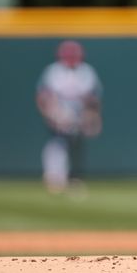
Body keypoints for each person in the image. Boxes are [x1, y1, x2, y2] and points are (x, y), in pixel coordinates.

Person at [36, 40, 103, 194]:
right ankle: (54, 177)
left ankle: (74, 178)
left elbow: (93, 99)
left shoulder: (86, 72)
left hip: (79, 115)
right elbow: (43, 97)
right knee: (57, 143)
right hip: (58, 113)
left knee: (76, 145)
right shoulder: (53, 71)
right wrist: (52, 114)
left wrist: (93, 118)